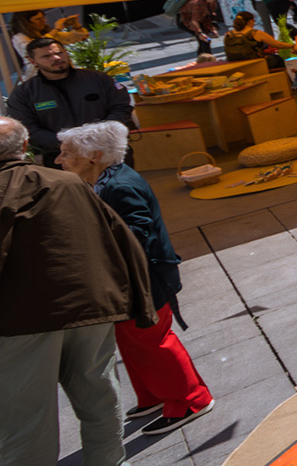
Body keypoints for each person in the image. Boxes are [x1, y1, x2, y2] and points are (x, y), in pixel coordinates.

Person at [0, 116, 157, 466]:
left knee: (26, 418)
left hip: (20, 321)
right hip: (89, 306)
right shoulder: (67, 183)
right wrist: (140, 302)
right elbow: (120, 239)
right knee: (99, 396)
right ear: (25, 147)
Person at [55, 121, 214, 436]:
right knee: (132, 341)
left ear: (94, 156)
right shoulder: (105, 180)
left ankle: (191, 400)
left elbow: (135, 236)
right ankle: (153, 395)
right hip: (128, 279)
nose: (59, 160)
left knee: (152, 339)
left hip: (142, 280)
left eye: (66, 153)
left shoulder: (118, 186)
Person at [4, 38, 135, 167]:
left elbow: (121, 106)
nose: (55, 58)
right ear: (33, 61)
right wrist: (68, 143)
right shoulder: (25, 93)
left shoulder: (98, 79)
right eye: (46, 56)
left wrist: (101, 136)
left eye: (59, 53)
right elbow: (25, 127)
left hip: (107, 152)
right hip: (61, 158)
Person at [9, 10, 88, 80]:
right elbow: (34, 47)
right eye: (38, 19)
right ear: (25, 22)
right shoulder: (19, 37)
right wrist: (56, 29)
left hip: (60, 71)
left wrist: (76, 25)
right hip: (40, 75)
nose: (44, 21)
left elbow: (77, 37)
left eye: (43, 18)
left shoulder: (46, 34)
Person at [223, 11, 294, 68]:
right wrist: (292, 46)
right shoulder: (255, 33)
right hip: (255, 62)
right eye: (254, 20)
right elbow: (278, 44)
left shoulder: (229, 34)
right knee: (278, 59)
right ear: (250, 21)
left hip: (233, 62)